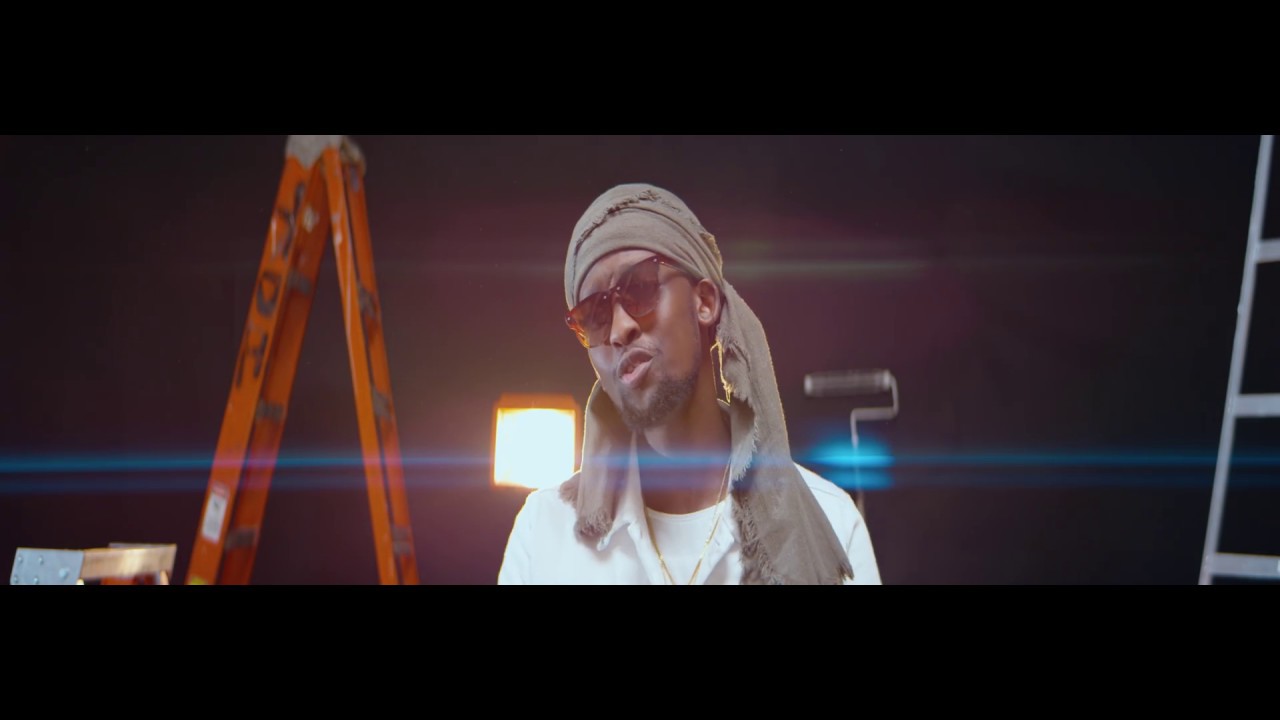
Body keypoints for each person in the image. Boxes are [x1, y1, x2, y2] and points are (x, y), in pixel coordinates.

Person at [497, 183, 880, 585]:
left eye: (640, 287)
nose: (620, 329)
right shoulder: (546, 534)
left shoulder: (830, 527)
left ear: (705, 303)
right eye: (595, 316)